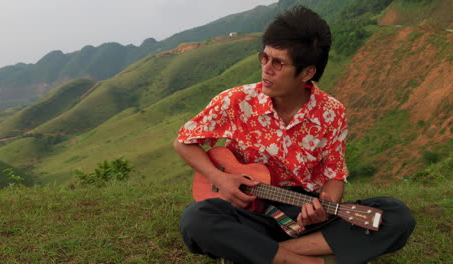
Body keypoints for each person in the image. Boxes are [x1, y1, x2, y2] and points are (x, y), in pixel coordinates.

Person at [173, 6, 415, 264]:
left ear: (307, 72)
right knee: (196, 219)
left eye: (278, 63)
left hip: (302, 214)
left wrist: (323, 208)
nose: (266, 69)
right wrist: (219, 177)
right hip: (250, 213)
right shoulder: (236, 100)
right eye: (264, 58)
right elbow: (184, 142)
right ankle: (311, 260)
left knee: (395, 215)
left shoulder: (332, 113)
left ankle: (258, 251)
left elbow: (334, 176)